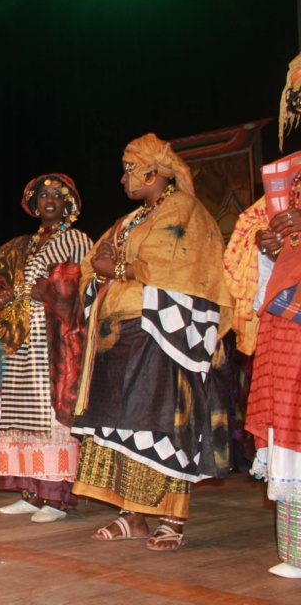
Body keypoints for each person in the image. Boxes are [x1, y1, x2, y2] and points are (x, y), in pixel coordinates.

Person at [72, 133, 232, 551]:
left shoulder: (185, 211)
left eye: (129, 169)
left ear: (152, 171)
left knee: (161, 421)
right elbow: (94, 263)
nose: (123, 179)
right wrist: (105, 269)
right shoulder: (129, 220)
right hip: (117, 336)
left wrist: (120, 265)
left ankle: (171, 518)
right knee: (120, 423)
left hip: (163, 332)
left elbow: (183, 265)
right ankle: (132, 516)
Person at [0, 174, 92, 522]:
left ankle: (55, 498)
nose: (49, 200)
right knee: (18, 409)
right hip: (18, 337)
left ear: (69, 203)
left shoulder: (77, 240)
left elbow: (83, 283)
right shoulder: (23, 245)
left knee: (47, 410)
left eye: (57, 194)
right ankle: (29, 492)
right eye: (43, 195)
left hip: (52, 338)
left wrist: (48, 287)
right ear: (34, 204)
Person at [225, 52, 301, 578]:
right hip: (289, 317)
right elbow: (245, 262)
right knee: (290, 419)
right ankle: (296, 551)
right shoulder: (287, 175)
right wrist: (268, 246)